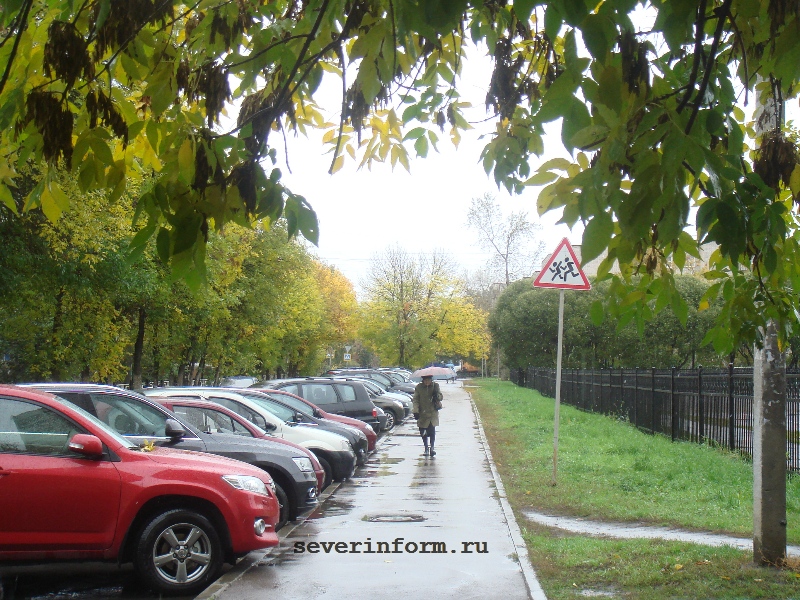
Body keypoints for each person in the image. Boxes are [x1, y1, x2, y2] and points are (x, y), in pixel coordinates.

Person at [412, 374, 441, 457]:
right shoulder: (419, 387)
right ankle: (426, 448)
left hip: (432, 413)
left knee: (432, 431)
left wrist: (436, 395)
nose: (427, 382)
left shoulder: (435, 386)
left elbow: (440, 397)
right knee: (423, 431)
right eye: (425, 380)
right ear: (423, 380)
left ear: (431, 380)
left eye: (429, 380)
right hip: (423, 413)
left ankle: (432, 448)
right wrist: (416, 411)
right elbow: (416, 400)